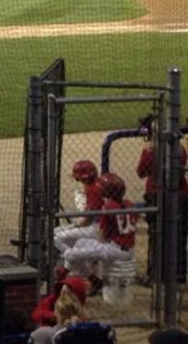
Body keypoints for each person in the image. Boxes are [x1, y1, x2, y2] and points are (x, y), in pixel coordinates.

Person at [62, 172, 138, 283]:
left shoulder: (108, 207)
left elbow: (101, 237)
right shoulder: (129, 204)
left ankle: (64, 277)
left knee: (70, 254)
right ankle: (94, 281)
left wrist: (94, 255)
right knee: (80, 242)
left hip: (114, 249)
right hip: (127, 248)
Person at [136, 121, 188, 282]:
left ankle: (155, 275)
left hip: (156, 195)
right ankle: (178, 274)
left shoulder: (150, 152)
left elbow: (141, 172)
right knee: (179, 234)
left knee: (156, 234)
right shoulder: (181, 150)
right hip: (181, 195)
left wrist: (148, 149)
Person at [55, 160, 103, 256]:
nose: (79, 180)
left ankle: (73, 258)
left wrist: (76, 225)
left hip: (97, 227)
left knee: (56, 237)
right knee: (58, 232)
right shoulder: (96, 184)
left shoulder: (93, 188)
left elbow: (88, 219)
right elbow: (89, 211)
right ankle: (76, 257)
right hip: (97, 225)